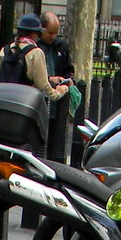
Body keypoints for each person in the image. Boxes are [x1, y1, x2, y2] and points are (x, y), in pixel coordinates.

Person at [0, 14, 69, 105]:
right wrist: (59, 91)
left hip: (3, 102)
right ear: (34, 33)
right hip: (23, 104)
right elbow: (43, 86)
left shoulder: (5, 50)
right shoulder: (35, 53)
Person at [39, 12, 76, 160]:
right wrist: (49, 79)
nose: (53, 36)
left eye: (56, 33)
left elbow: (69, 69)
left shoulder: (61, 46)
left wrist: (67, 79)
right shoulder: (36, 47)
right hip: (41, 100)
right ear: (41, 29)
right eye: (50, 32)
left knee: (56, 139)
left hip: (58, 101)